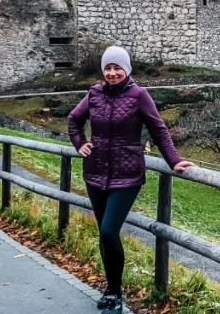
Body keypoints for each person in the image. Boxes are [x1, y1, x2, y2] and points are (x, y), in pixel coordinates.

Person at [68, 46, 194, 313]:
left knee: (108, 231)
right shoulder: (94, 94)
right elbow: (74, 120)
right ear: (103, 70)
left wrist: (173, 160)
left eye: (117, 68)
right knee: (105, 236)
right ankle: (111, 289)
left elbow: (158, 129)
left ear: (127, 69)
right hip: (95, 173)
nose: (112, 73)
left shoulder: (139, 95)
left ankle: (115, 293)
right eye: (108, 68)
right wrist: (80, 143)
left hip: (127, 175)